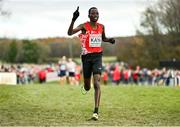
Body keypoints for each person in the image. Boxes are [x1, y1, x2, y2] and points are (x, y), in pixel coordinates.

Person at [67, 6, 115, 120]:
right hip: (86, 57)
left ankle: (96, 112)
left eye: (97, 13)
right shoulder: (84, 25)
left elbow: (103, 38)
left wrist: (109, 40)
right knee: (88, 86)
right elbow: (69, 33)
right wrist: (73, 19)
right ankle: (86, 87)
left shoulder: (102, 26)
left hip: (97, 56)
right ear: (89, 15)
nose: (95, 15)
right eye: (93, 13)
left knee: (97, 83)